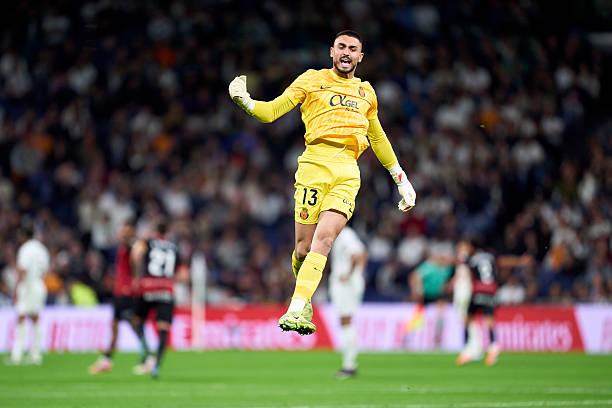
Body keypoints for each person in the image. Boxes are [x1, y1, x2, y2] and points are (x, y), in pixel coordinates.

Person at [228, 30, 416, 335]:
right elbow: (271, 111)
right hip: (314, 165)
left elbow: (378, 137)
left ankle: (296, 306)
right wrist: (245, 101)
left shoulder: (366, 93)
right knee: (303, 249)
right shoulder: (311, 80)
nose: (346, 52)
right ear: (332, 51)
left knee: (325, 239)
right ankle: (304, 300)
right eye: (341, 46)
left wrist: (401, 179)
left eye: (352, 49)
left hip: (347, 171)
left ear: (360, 57)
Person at [130, 220, 178, 379]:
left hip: (148, 287)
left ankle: (146, 351)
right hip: (166, 290)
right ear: (167, 232)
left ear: (155, 231)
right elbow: (181, 273)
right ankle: (156, 365)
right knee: (163, 328)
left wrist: (137, 276)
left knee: (135, 320)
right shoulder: (174, 247)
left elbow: (136, 254)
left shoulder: (147, 242)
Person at [89, 221, 137, 374]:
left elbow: (134, 268)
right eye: (121, 231)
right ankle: (107, 360)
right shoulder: (122, 249)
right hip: (119, 292)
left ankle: (148, 356)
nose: (121, 234)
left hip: (127, 292)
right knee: (116, 326)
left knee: (134, 324)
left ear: (131, 233)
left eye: (125, 232)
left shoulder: (131, 249)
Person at [9, 222, 50, 365]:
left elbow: (23, 270)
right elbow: (45, 269)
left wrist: (16, 288)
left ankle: (17, 355)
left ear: (23, 235)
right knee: (35, 318)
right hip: (39, 284)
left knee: (21, 316)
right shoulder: (42, 249)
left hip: (28, 285)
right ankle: (35, 354)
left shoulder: (25, 249)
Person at [329, 226, 367, 379]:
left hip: (346, 284)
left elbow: (358, 254)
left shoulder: (345, 235)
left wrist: (350, 274)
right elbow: (362, 253)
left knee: (346, 321)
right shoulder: (343, 235)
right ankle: (349, 363)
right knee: (345, 321)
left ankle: (349, 365)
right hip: (348, 283)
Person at [406, 252, 454, 348]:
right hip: (425, 294)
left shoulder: (448, 268)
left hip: (438, 294)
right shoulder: (428, 267)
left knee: (441, 314)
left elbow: (452, 278)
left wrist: (449, 285)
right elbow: (414, 276)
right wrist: (417, 290)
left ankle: (437, 338)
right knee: (418, 315)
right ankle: (409, 336)